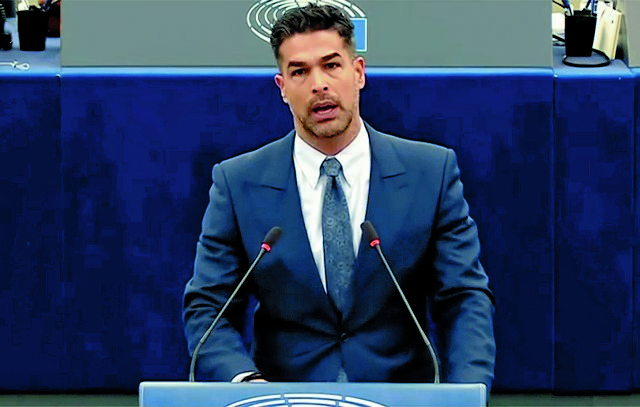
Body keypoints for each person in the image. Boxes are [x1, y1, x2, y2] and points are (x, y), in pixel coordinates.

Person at [183, 3, 496, 390]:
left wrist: (466, 392)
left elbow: (464, 297)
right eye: (300, 71)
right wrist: (248, 384)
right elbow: (208, 306)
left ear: (358, 73)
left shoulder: (430, 173)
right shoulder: (238, 182)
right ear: (282, 88)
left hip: (399, 395)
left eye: (331, 65)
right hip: (284, 397)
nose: (319, 84)